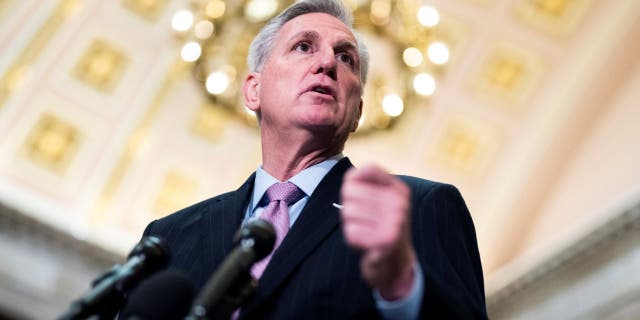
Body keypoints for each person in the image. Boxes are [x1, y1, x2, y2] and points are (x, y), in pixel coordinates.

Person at [141, 0, 487, 319]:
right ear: (253, 89)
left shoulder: (417, 209)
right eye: (303, 47)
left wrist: (400, 286)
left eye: (346, 58)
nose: (326, 63)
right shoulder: (170, 237)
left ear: (358, 112)